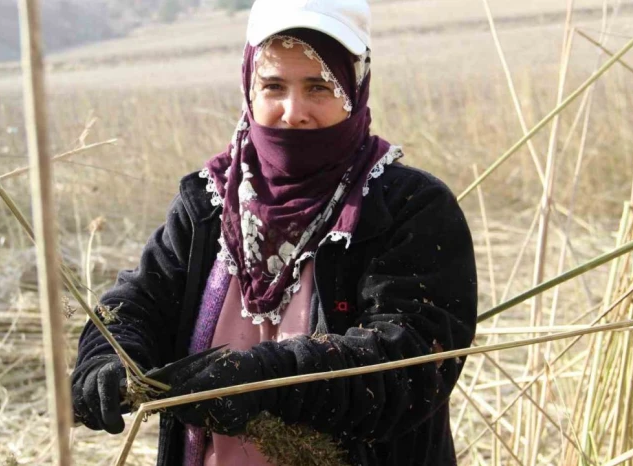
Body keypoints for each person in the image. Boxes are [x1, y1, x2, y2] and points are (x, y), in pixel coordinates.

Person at [71, 1, 477, 465]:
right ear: (249, 86)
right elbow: (140, 302)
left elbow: (411, 362)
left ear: (355, 88)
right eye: (273, 86)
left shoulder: (407, 208)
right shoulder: (207, 204)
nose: (293, 111)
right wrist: (107, 357)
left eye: (319, 87)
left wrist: (262, 381)